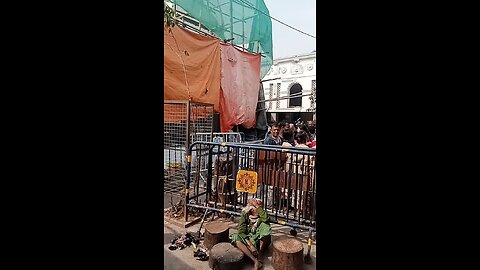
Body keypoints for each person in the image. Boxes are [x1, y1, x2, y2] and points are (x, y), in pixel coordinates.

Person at [229, 198, 272, 270]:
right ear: (251, 209)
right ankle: (255, 261)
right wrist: (251, 245)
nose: (259, 209)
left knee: (266, 227)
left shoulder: (262, 215)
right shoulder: (245, 214)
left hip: (259, 239)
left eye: (260, 207)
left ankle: (259, 256)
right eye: (257, 208)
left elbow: (266, 218)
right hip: (249, 238)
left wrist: (257, 206)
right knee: (236, 237)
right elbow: (241, 232)